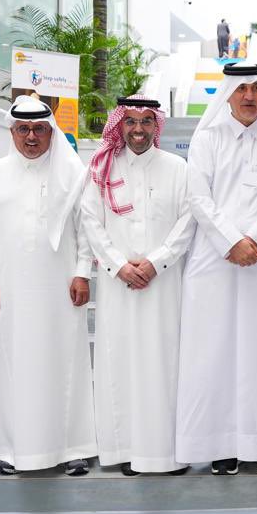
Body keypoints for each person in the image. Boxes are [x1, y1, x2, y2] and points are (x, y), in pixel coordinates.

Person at [175, 63, 257, 476]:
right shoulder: (207, 140)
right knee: (214, 352)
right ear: (228, 94)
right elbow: (199, 198)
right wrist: (232, 241)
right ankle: (221, 444)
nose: (249, 96)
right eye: (242, 89)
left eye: (256, 89)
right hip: (214, 261)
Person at [0, 95, 95, 477]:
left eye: (39, 129)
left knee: (66, 361)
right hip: (12, 288)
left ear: (51, 131)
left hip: (61, 288)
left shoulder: (72, 172)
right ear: (12, 132)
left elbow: (86, 230)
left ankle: (73, 448)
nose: (31, 137)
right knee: (15, 366)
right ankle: (15, 451)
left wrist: (82, 272)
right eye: (23, 129)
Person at [81, 95, 195, 476]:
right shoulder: (102, 167)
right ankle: (127, 451)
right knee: (121, 365)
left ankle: (165, 454)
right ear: (120, 124)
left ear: (156, 125)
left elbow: (188, 221)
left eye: (147, 120)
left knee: (164, 365)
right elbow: (90, 221)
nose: (138, 129)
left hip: (164, 286)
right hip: (118, 287)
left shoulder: (177, 168)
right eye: (131, 121)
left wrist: (155, 263)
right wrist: (119, 266)